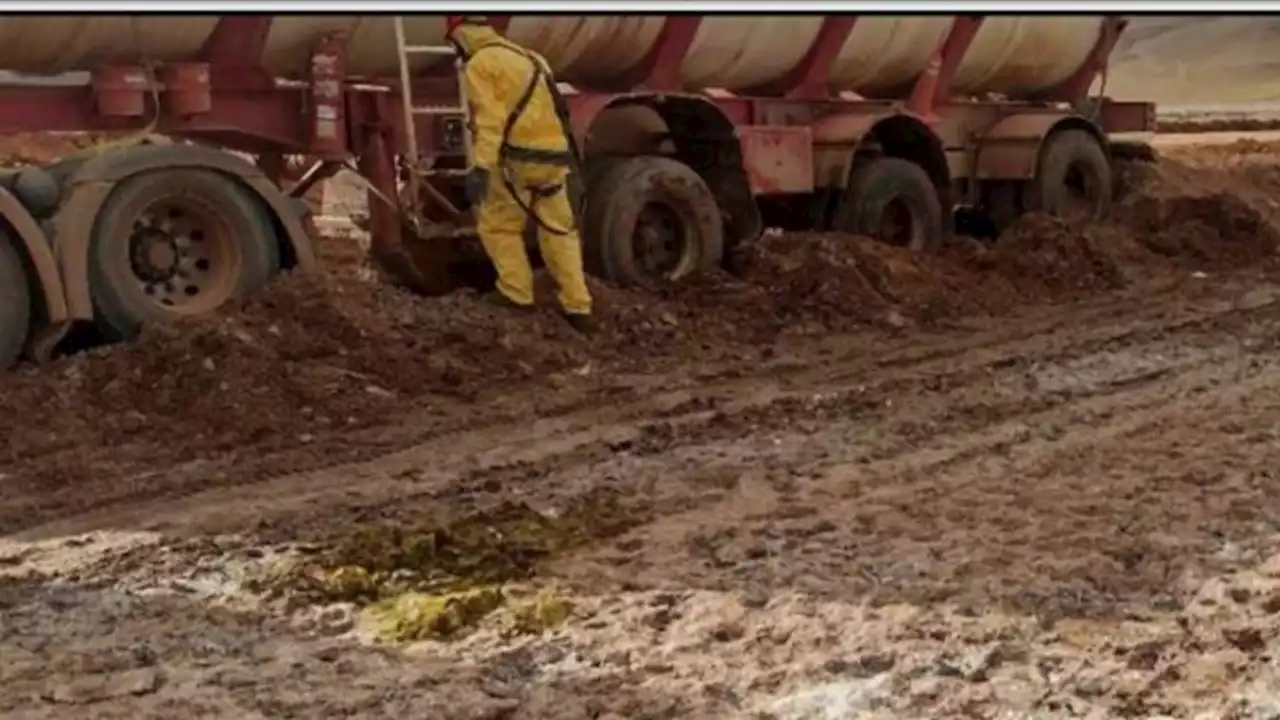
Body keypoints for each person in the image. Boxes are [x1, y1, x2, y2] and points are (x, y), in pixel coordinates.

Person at [444, 16, 596, 334]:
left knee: (499, 226)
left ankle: (517, 294)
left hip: (516, 161)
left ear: (460, 36)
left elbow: (490, 121)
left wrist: (482, 168)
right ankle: (579, 307)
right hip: (553, 158)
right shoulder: (533, 58)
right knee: (559, 231)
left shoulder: (480, 65)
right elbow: (559, 111)